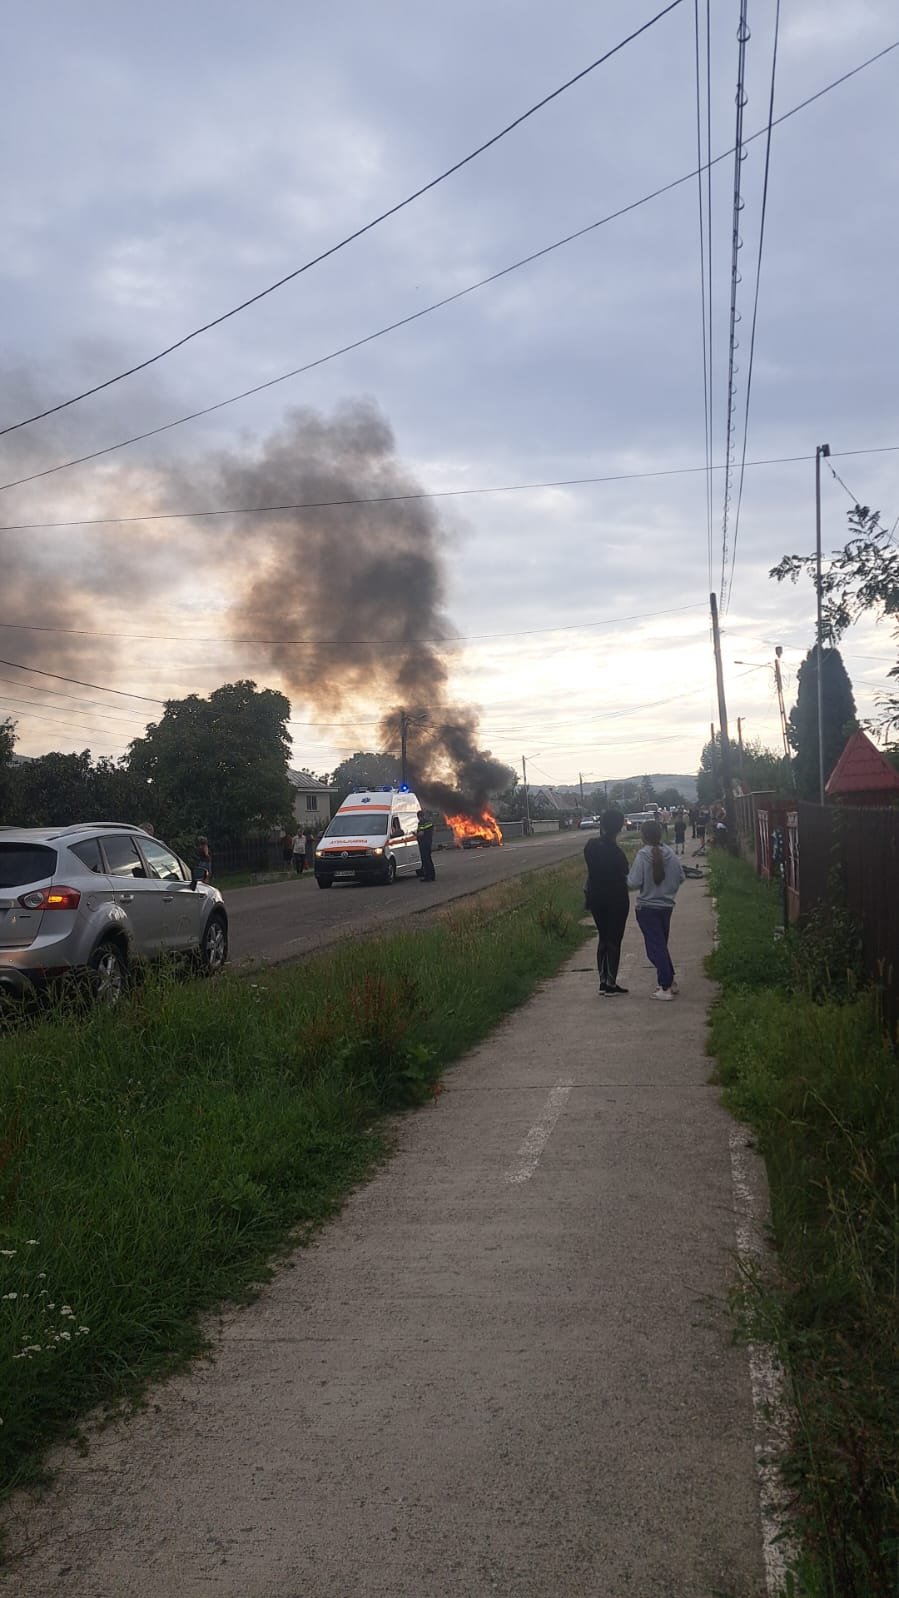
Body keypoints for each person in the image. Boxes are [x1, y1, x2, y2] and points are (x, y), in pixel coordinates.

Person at [627, 819, 684, 1001]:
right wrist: (667, 891)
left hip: (647, 908)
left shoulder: (643, 855)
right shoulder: (670, 853)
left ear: (643, 836)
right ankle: (670, 981)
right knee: (661, 946)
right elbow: (681, 877)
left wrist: (625, 877)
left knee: (655, 949)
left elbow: (634, 882)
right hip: (666, 907)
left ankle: (665, 987)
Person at [583, 808, 630, 996]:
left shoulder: (590, 845)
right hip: (616, 898)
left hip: (595, 896)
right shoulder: (617, 853)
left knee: (602, 937)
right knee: (614, 940)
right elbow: (625, 873)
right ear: (619, 828)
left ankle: (602, 982)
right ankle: (611, 982)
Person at [416, 810, 436, 882]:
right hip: (429, 842)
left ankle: (427, 876)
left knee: (425, 860)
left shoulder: (421, 822)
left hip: (423, 843)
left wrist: (415, 834)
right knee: (429, 859)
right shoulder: (429, 822)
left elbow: (421, 833)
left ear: (418, 816)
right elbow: (433, 831)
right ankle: (432, 876)